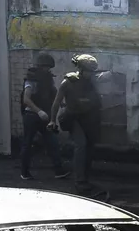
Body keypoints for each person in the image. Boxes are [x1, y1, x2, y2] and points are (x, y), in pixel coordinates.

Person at [54, 53, 103, 195]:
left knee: (89, 148)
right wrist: (52, 120)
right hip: (73, 118)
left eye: (92, 72)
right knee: (81, 145)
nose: (90, 74)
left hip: (89, 120)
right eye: (88, 71)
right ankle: (79, 182)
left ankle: (85, 179)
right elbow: (57, 102)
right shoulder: (68, 82)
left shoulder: (93, 82)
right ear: (81, 70)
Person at [17, 53, 68, 181]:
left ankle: (59, 171)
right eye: (45, 67)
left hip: (45, 116)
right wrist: (39, 111)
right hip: (32, 115)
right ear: (40, 66)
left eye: (49, 67)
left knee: (52, 143)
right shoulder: (32, 79)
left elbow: (53, 92)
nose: (47, 70)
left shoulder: (48, 79)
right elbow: (26, 99)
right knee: (28, 144)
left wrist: (61, 103)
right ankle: (24, 172)